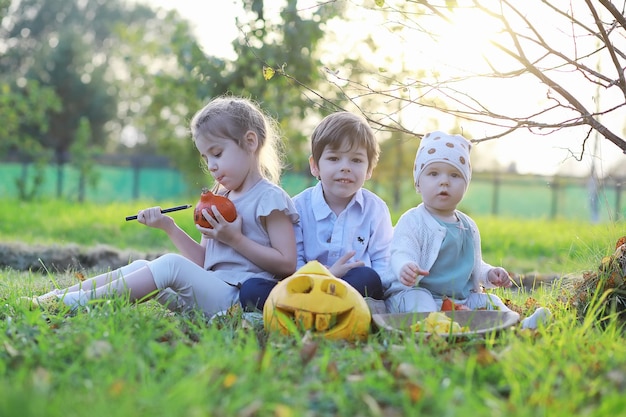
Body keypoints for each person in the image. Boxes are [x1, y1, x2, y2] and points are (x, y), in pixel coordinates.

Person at [28, 96, 299, 318]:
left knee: (170, 264)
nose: (212, 165)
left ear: (250, 142)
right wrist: (168, 227)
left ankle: (75, 304)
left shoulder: (269, 198)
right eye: (206, 158)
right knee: (143, 265)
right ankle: (54, 297)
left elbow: (287, 265)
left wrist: (235, 239)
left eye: (217, 153)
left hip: (236, 302)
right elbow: (205, 263)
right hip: (207, 295)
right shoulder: (219, 197)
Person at [383, 131, 551, 329]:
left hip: (459, 299)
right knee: (421, 303)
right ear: (418, 183)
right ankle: (431, 330)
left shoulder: (467, 225)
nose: (444, 181)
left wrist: (489, 274)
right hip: (416, 292)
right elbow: (401, 250)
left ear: (466, 185)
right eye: (433, 173)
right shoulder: (413, 220)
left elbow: (471, 263)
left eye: (454, 175)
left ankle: (517, 325)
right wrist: (405, 266)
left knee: (491, 303)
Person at [241, 111, 392, 309]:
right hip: (304, 287)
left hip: (352, 288)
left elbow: (383, 262)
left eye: (356, 160)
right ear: (315, 166)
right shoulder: (298, 207)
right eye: (334, 158)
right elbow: (294, 263)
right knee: (251, 289)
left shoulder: (375, 209)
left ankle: (313, 311)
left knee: (369, 277)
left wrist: (339, 282)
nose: (345, 167)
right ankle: (320, 310)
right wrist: (327, 277)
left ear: (370, 169)